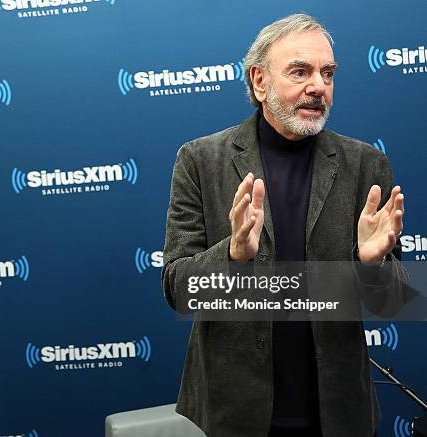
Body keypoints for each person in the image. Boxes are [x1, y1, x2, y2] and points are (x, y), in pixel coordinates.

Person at [162, 14, 408, 437]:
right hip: (235, 412)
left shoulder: (366, 164)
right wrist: (233, 254)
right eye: (300, 71)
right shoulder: (201, 161)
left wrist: (373, 264)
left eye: (327, 73)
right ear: (259, 81)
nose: (318, 86)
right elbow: (178, 291)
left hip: (338, 412)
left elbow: (394, 301)